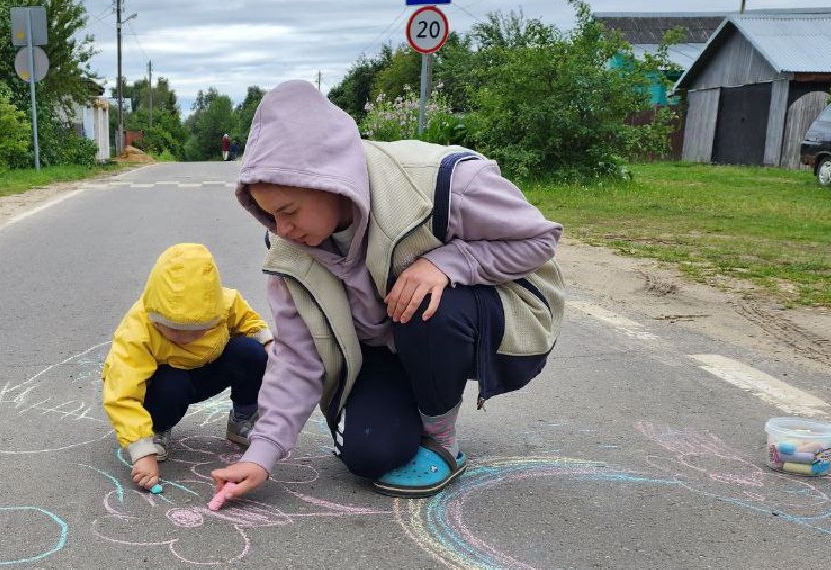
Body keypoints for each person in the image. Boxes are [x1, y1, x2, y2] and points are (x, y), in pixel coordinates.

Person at [211, 80, 564, 499]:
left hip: (495, 325)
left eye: (289, 211)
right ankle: (414, 400)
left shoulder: (443, 182)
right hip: (387, 347)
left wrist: (448, 264)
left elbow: (539, 239)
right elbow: (296, 355)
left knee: (422, 297)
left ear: (329, 180)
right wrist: (261, 454)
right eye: (270, 215)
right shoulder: (288, 247)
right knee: (369, 454)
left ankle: (440, 438)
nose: (282, 229)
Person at [103, 243, 274, 490]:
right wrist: (141, 452)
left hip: (207, 371)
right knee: (171, 383)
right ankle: (157, 429)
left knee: (251, 352)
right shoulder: (137, 330)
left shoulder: (224, 303)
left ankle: (243, 418)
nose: (187, 339)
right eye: (175, 331)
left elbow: (250, 322)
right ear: (156, 318)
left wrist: (269, 344)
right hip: (166, 386)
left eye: (198, 330)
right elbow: (122, 394)